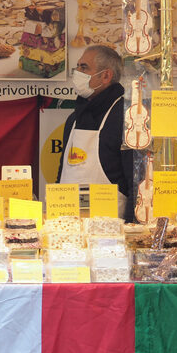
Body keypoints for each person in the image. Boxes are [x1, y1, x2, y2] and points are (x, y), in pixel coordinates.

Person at [56, 45, 136, 221]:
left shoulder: (126, 118)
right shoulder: (73, 119)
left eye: (84, 67)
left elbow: (136, 183)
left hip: (111, 231)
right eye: (77, 66)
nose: (77, 72)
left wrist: (132, 230)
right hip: (67, 229)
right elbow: (63, 173)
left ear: (106, 76)